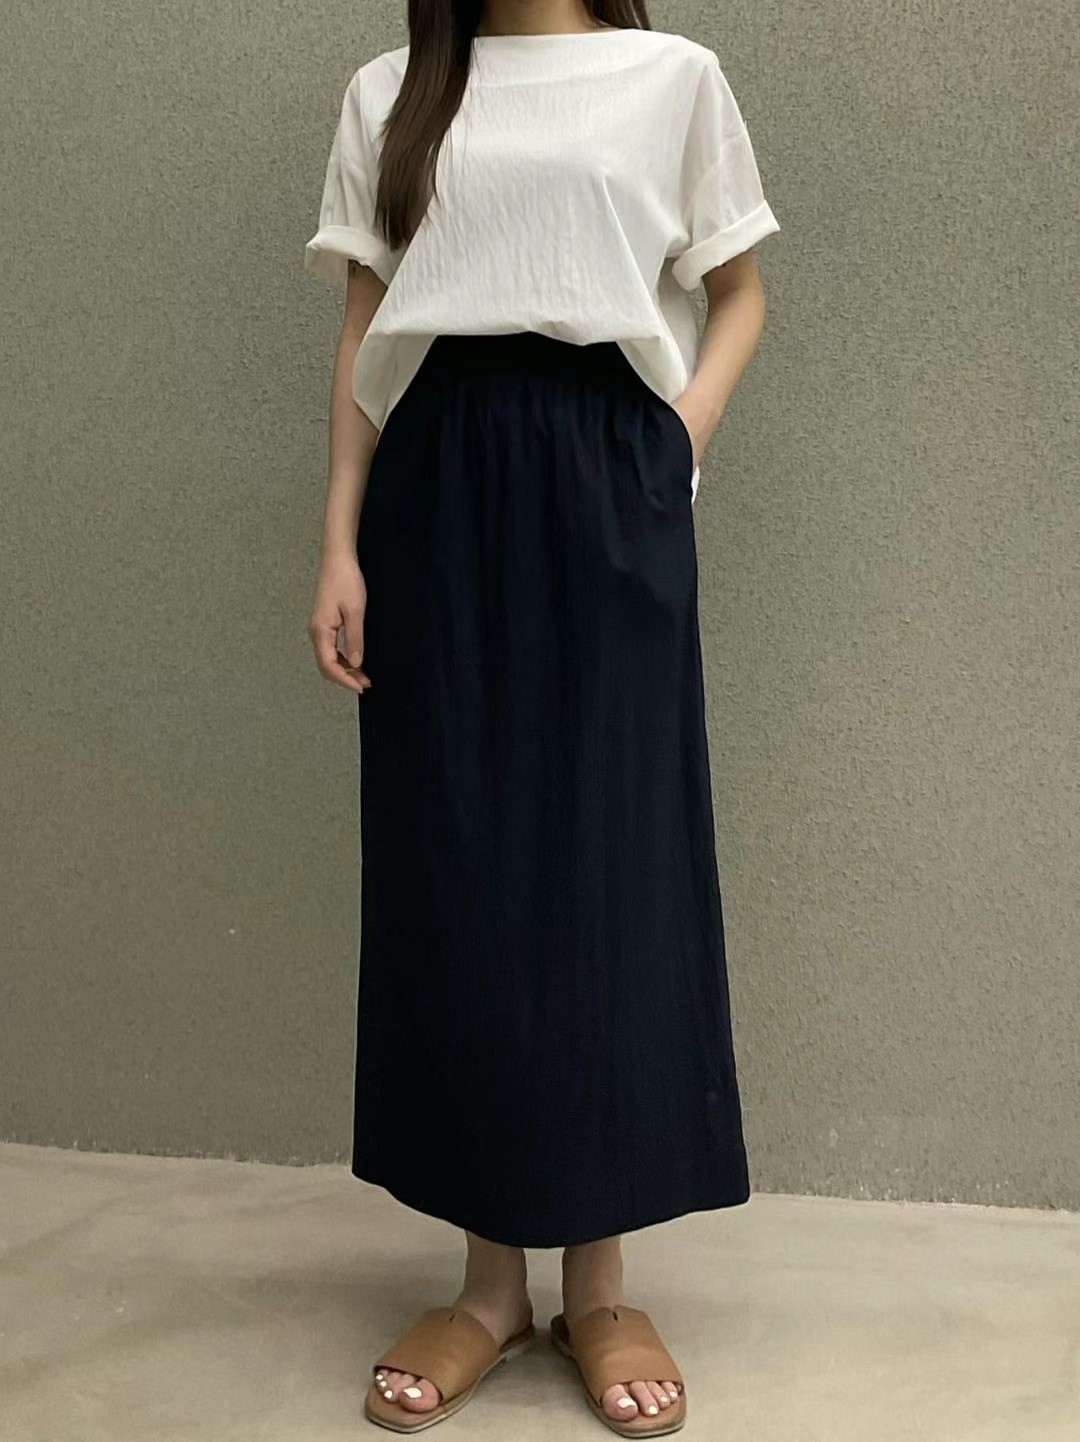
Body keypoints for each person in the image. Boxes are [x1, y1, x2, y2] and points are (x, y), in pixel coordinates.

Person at [303, 1, 779, 1434]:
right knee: (462, 867)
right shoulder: (393, 91)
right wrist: (338, 539)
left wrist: (671, 441)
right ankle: (488, 1285)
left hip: (605, 473)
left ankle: (603, 1282)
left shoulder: (672, 79)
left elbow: (740, 289)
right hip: (438, 478)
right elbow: (367, 324)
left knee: (609, 863)